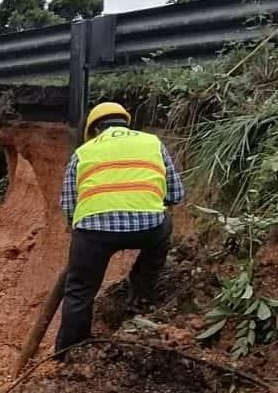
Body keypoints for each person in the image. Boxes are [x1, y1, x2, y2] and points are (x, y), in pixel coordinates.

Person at [54, 102, 185, 356]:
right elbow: (176, 194)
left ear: (94, 129)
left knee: (79, 291)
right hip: (148, 228)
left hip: (93, 233)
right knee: (164, 227)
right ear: (126, 122)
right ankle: (140, 292)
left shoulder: (83, 153)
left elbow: (69, 207)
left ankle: (67, 351)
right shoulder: (152, 143)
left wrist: (80, 230)